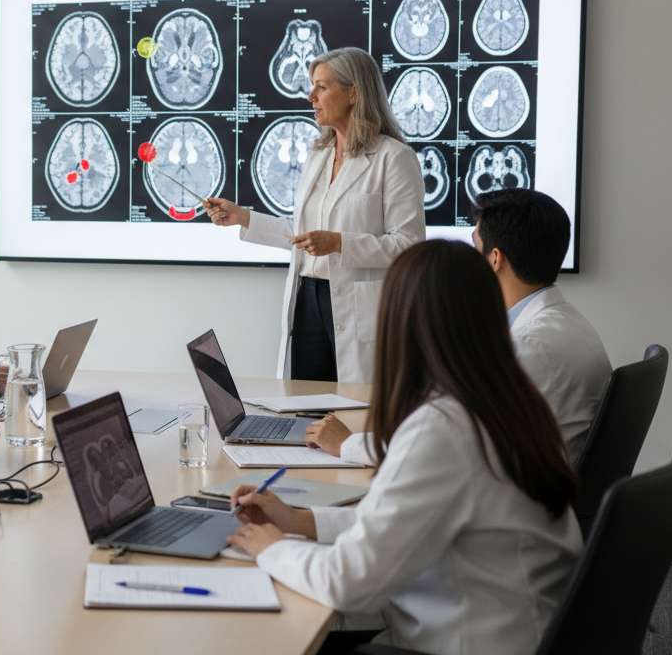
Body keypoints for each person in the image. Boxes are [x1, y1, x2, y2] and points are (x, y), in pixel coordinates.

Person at [227, 240, 582, 655]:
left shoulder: (443, 430)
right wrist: (299, 521)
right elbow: (402, 525)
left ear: (402, 322)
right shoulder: (509, 400)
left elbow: (349, 584)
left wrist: (274, 549)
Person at [307, 188, 611, 465]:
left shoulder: (528, 348)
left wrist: (347, 443)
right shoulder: (570, 324)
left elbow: (442, 453)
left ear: (494, 259)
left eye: (473, 245)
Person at [206, 47, 425, 384]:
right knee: (306, 406)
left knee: (354, 409)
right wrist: (242, 217)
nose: (311, 96)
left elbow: (409, 245)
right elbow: (304, 234)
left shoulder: (393, 158)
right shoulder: (318, 153)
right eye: (313, 86)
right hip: (307, 298)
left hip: (358, 305)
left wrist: (339, 243)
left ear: (354, 93)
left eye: (322, 87)